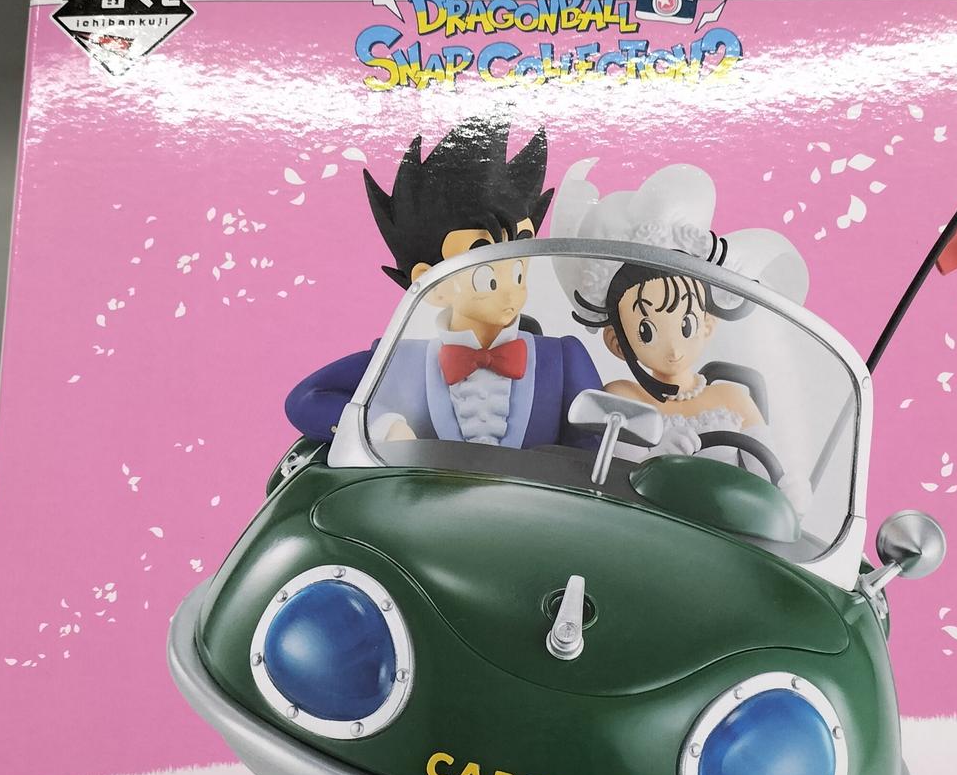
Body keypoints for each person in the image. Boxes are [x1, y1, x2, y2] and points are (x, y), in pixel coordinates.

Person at [285, 116, 601, 450]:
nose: (511, 289)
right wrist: (379, 426)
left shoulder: (563, 359)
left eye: (518, 271)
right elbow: (306, 399)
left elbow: (598, 438)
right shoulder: (398, 361)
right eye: (488, 277)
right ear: (432, 283)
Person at [550, 161, 813, 510]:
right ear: (617, 342)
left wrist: (790, 491)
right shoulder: (621, 397)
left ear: (707, 324)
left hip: (726, 530)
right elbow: (609, 480)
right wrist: (654, 460)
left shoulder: (733, 398)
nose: (673, 346)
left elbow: (767, 470)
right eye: (647, 331)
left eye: (685, 324)